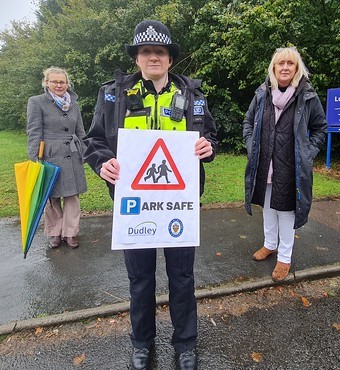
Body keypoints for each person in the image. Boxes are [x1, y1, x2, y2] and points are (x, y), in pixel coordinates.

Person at [83, 20, 217, 370]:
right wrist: (102, 164)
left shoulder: (193, 96)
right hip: (134, 206)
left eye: (160, 52)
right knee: (140, 279)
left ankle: (185, 344)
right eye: (146, 52)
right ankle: (141, 343)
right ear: (137, 59)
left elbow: (212, 138)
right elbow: (94, 141)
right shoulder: (114, 94)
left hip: (179, 205)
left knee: (183, 277)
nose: (153, 57)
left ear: (170, 59)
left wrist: (208, 148)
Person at [243, 47, 327, 282]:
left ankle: (285, 258)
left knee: (287, 211)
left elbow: (321, 128)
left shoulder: (307, 95)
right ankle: (270, 245)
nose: (285, 67)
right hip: (265, 164)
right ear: (273, 68)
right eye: (281, 63)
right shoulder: (262, 94)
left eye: (290, 63)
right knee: (268, 208)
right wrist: (251, 145)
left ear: (297, 68)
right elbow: (248, 122)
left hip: (291, 167)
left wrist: (308, 152)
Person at [26, 67, 87, 249]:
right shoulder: (37, 102)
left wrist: (84, 152)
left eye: (62, 82)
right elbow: (33, 130)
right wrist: (35, 156)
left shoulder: (74, 104)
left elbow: (80, 131)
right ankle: (54, 232)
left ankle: (70, 233)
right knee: (51, 197)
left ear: (67, 84)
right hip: (49, 154)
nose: (59, 85)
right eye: (54, 81)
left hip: (72, 152)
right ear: (47, 83)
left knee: (72, 196)